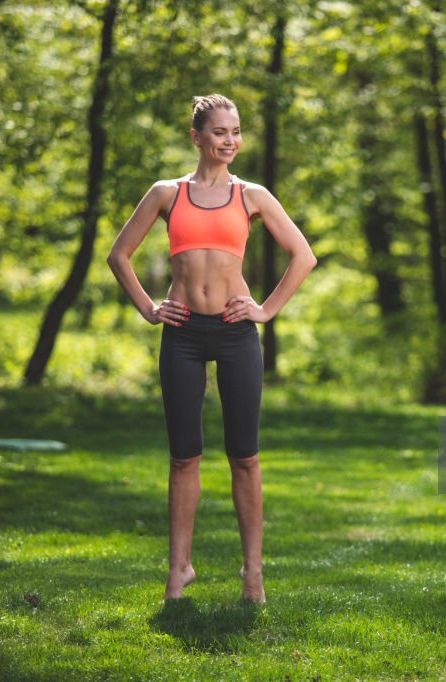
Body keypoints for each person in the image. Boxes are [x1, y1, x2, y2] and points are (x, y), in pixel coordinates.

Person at [106, 94, 316, 603]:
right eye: (219, 132)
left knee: (244, 456)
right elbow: (119, 256)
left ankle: (252, 574)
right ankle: (178, 571)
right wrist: (149, 309)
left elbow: (303, 257)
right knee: (184, 457)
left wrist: (265, 310)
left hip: (234, 331)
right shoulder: (166, 194)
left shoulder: (253, 196)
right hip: (181, 335)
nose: (230, 140)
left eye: (236, 131)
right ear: (196, 137)